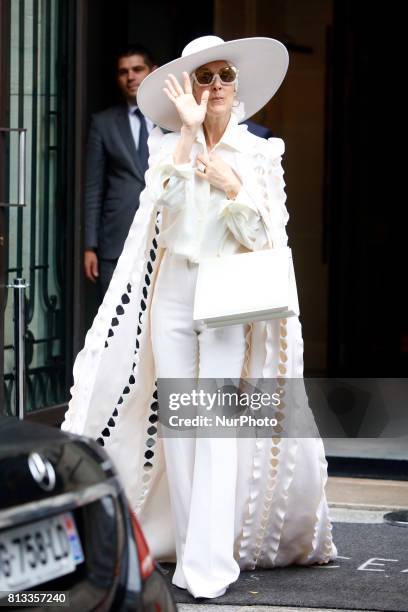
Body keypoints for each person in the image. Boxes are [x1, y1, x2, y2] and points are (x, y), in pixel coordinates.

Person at [62, 35, 338, 599]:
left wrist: (232, 186)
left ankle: (212, 563)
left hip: (228, 296)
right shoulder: (168, 149)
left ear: (237, 87)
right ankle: (190, 553)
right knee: (179, 429)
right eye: (203, 77)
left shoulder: (261, 153)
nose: (214, 88)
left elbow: (265, 236)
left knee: (211, 426)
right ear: (189, 87)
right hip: (173, 294)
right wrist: (188, 135)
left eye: (224, 77)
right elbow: (159, 207)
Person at [83, 44, 158, 298]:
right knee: (114, 322)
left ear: (153, 71)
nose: (131, 77)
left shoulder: (173, 120)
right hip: (115, 240)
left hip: (164, 237)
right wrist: (90, 245)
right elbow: (93, 188)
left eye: (138, 69)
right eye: (123, 71)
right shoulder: (102, 123)